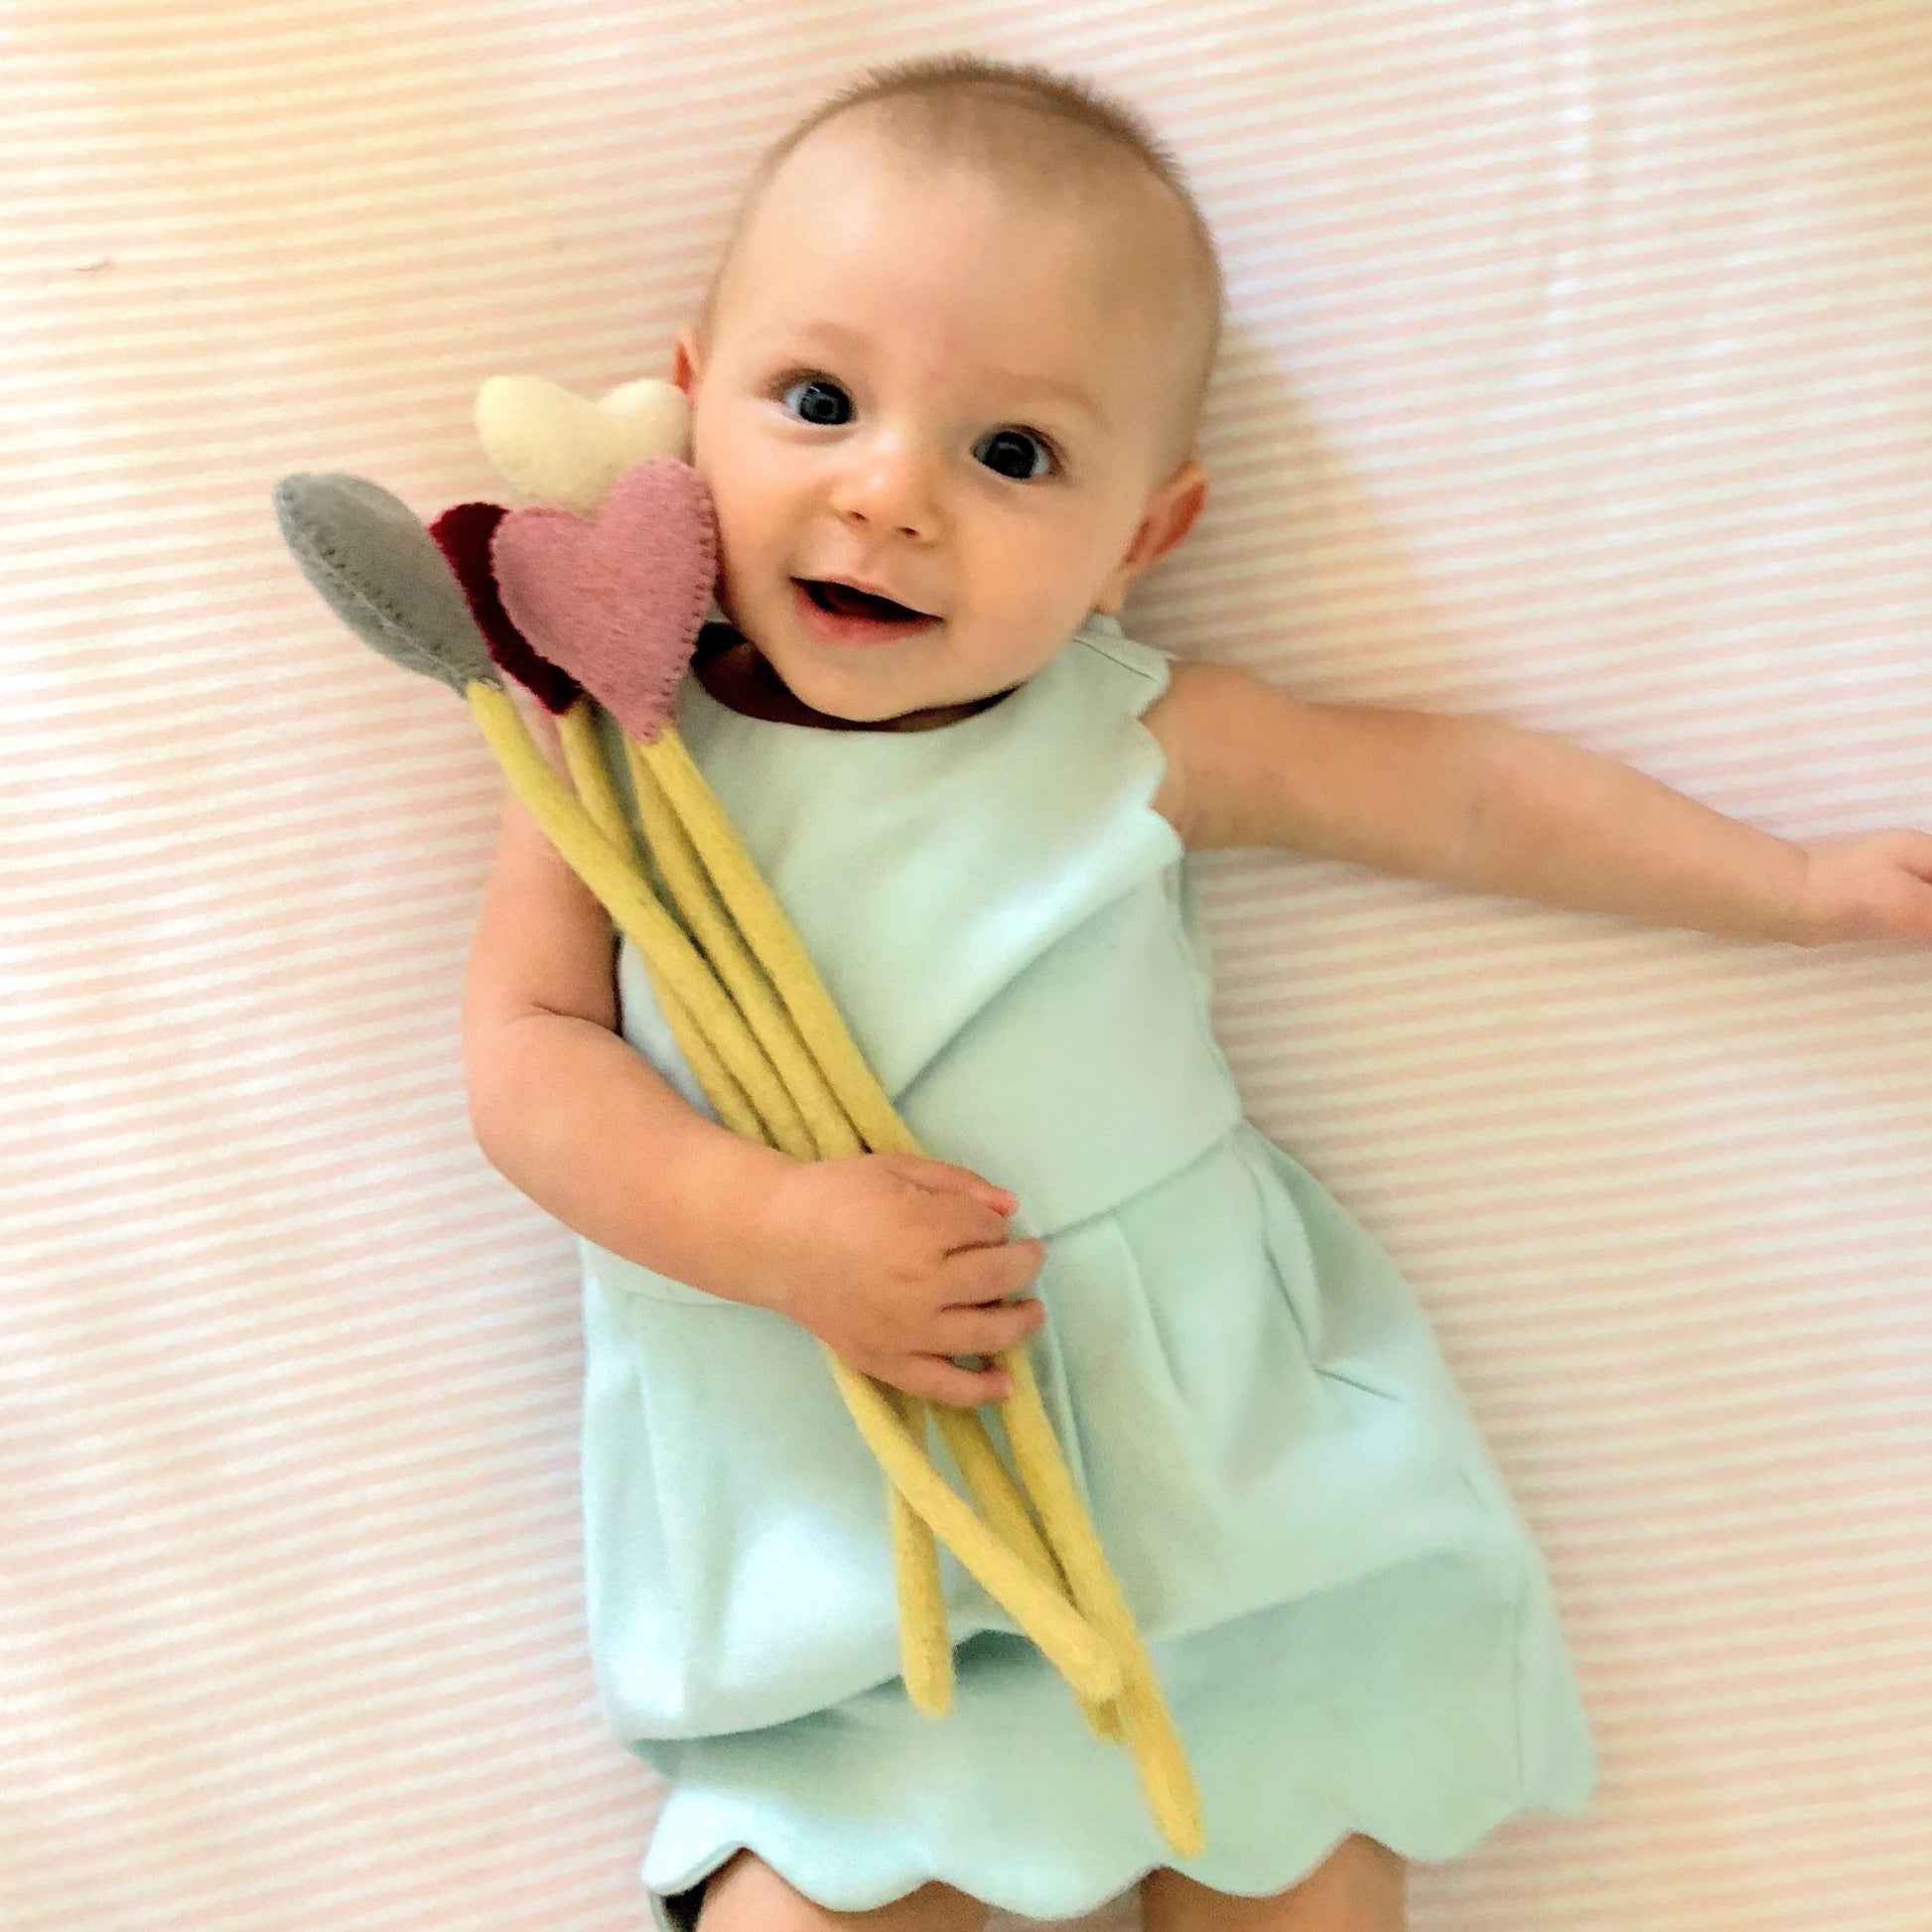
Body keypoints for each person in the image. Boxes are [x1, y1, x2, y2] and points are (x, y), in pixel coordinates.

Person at [460, 52, 1932, 1932]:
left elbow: (1467, 793)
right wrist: (770, 1227)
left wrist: (1786, 882)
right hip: (848, 1533)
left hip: (1211, 1498)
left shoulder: (1131, 734)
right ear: (684, 417)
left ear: (1142, 538)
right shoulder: (617, 746)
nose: (891, 490)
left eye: (1015, 454)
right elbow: (525, 1056)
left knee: (1291, 1865)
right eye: (817, 401)